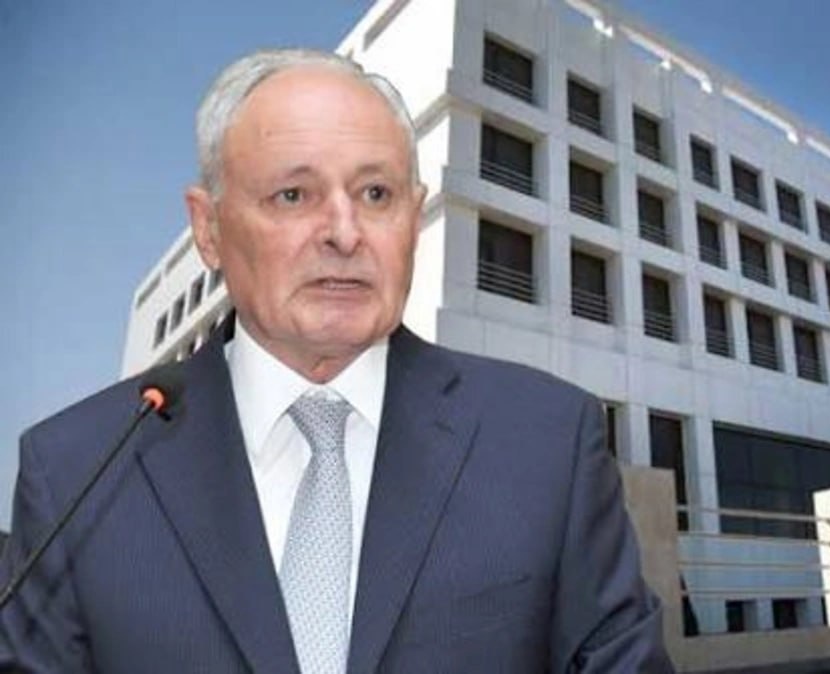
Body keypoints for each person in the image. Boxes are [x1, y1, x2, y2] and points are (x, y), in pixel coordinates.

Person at [0, 49, 672, 673]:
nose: (345, 234)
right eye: (293, 195)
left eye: (376, 195)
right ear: (209, 229)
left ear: (415, 216)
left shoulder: (547, 439)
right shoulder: (75, 471)